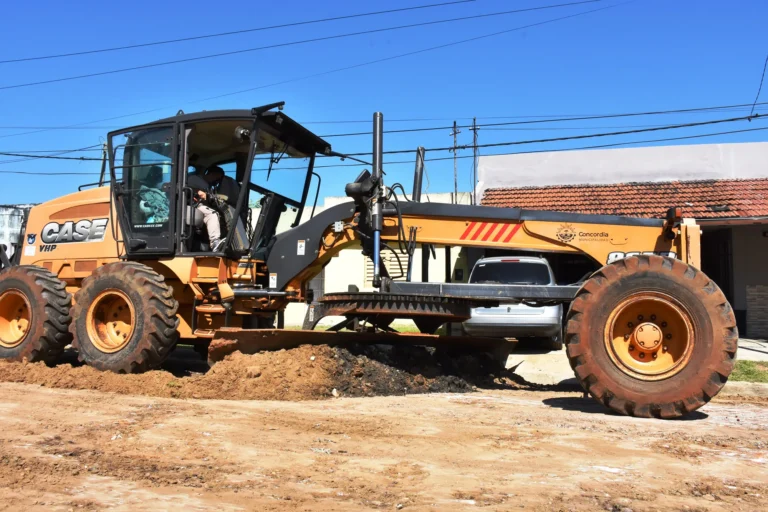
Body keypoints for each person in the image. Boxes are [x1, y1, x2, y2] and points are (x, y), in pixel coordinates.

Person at [187, 174, 225, 252]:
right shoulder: (196, 180)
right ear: (212, 173)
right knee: (212, 214)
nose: (215, 182)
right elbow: (201, 194)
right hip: (188, 204)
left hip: (193, 204)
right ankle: (214, 242)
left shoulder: (205, 184)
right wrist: (203, 194)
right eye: (216, 178)